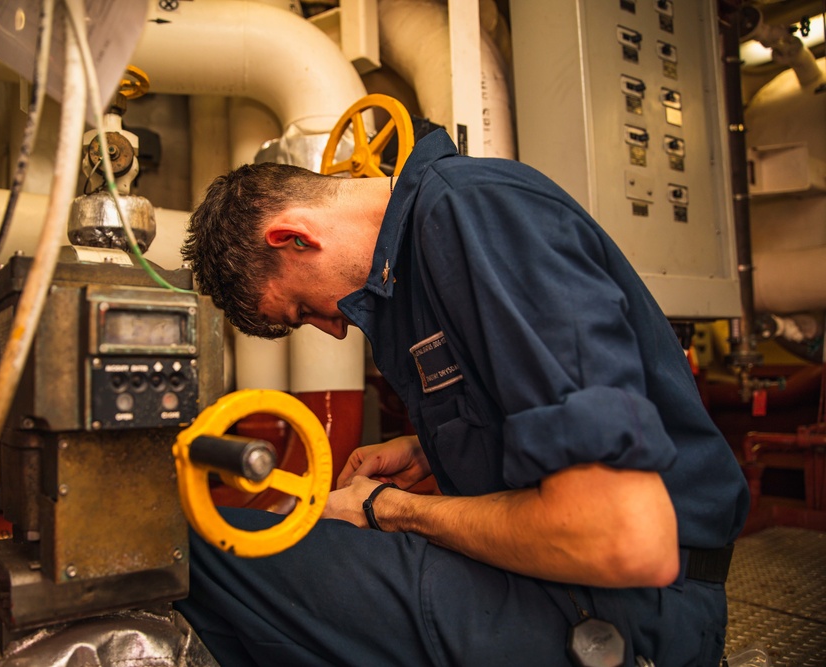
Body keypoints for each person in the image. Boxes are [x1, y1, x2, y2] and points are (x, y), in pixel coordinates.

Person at [175, 127, 750, 667]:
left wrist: (389, 510)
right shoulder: (415, 270)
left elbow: (620, 538)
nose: (333, 330)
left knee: (192, 554)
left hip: (631, 606)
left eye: (302, 310)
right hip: (576, 587)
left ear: (294, 236)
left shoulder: (471, 214)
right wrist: (433, 446)